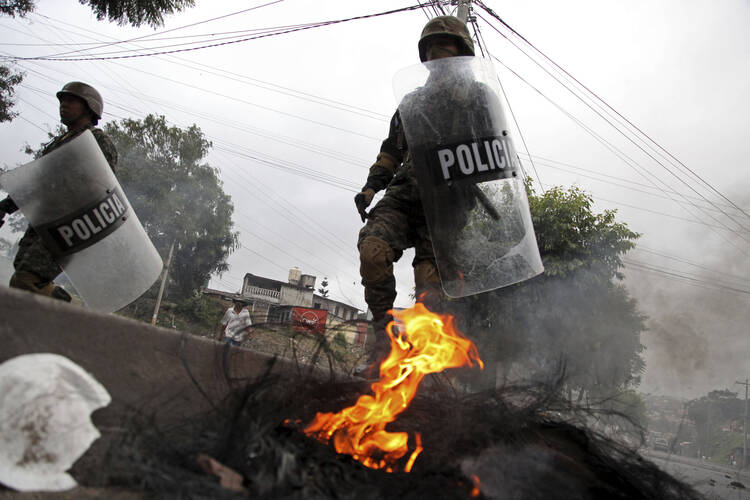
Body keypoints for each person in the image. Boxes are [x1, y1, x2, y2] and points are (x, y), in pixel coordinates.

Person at [354, 16, 476, 372]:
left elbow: (495, 150)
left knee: (430, 287)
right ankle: (383, 343)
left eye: (446, 53)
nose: (439, 60)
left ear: (461, 57)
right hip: (407, 193)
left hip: (449, 205)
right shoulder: (413, 102)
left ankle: (423, 365)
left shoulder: (478, 101)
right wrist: (371, 186)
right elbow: (392, 149)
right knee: (373, 251)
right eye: (433, 53)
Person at [0, 81, 118, 301]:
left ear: (89, 108)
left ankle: (64, 308)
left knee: (27, 279)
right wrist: (6, 207)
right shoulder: (57, 144)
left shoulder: (97, 141)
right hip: (45, 222)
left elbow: (102, 188)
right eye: (62, 100)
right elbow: (36, 183)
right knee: (22, 279)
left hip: (71, 225)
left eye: (71, 101)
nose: (63, 105)